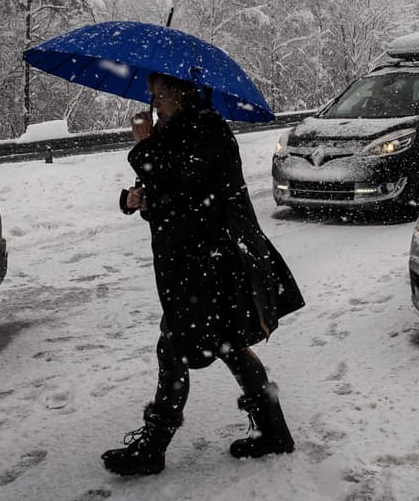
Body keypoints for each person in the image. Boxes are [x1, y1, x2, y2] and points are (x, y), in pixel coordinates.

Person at [101, 72, 305, 477]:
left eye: (159, 95)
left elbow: (183, 185)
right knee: (227, 344)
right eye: (152, 95)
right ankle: (274, 432)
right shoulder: (178, 131)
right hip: (192, 260)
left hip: (209, 262)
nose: (153, 102)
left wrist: (143, 145)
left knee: (174, 346)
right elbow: (171, 194)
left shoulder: (206, 129)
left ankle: (154, 446)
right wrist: (134, 199)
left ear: (180, 93)